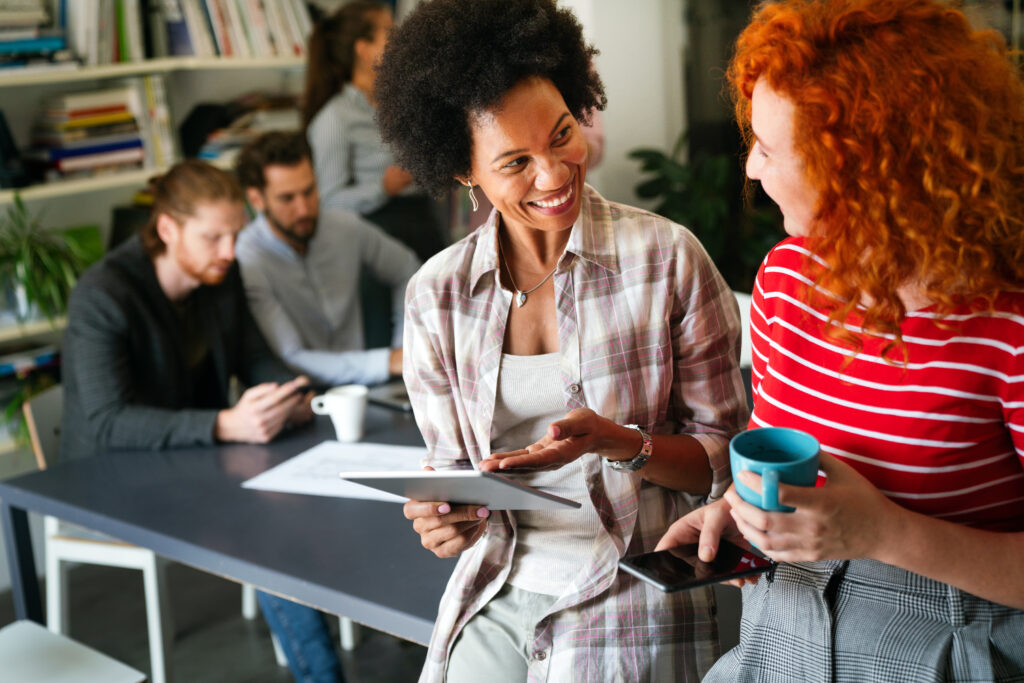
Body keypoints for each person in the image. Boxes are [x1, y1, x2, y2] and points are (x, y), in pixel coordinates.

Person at [374, 1, 749, 680]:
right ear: (463, 169)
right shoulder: (437, 294)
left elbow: (724, 464)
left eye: (562, 135)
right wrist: (444, 520)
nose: (553, 174)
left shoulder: (668, 259)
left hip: (631, 584)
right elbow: (453, 476)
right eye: (515, 161)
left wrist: (619, 442)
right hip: (495, 584)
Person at [657, 1, 1024, 681]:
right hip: (781, 639)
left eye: (768, 149)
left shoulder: (1008, 321)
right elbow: (801, 466)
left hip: (950, 651)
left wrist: (886, 533)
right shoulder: (786, 280)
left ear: (862, 165)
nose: (750, 171)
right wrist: (742, 517)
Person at [60, 160, 346, 683]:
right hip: (109, 476)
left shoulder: (220, 274)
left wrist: (292, 392)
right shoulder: (104, 294)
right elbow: (107, 422)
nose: (230, 252)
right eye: (213, 237)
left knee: (309, 491)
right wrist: (224, 426)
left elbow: (254, 357)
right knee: (267, 518)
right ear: (167, 229)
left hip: (198, 458)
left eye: (235, 235)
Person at [234, 130, 419, 387]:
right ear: (256, 199)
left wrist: (405, 345)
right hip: (304, 396)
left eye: (309, 191)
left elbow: (409, 271)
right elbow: (292, 356)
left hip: (370, 385)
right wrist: (388, 361)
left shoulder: (345, 226)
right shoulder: (247, 259)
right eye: (287, 198)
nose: (303, 209)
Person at [302, 0, 446, 263]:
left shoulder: (406, 101)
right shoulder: (335, 119)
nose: (401, 40)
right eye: (390, 33)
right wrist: (383, 187)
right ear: (364, 50)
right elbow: (329, 202)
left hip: (425, 222)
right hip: (375, 235)